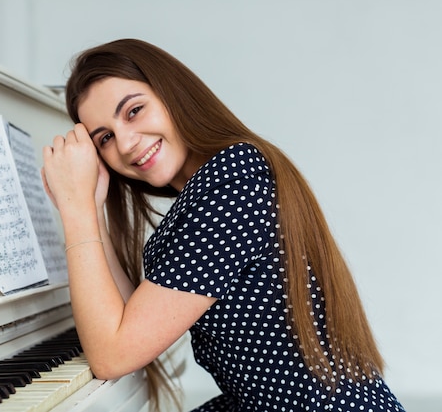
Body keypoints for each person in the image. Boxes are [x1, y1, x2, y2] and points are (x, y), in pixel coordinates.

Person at [41, 38, 405, 412]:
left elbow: (113, 354)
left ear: (173, 95)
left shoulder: (232, 180)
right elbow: (129, 321)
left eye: (133, 111)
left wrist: (75, 212)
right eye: (105, 138)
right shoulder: (221, 179)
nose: (127, 143)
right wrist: (91, 207)